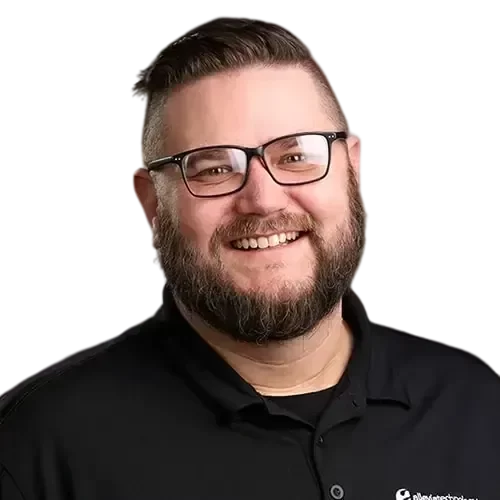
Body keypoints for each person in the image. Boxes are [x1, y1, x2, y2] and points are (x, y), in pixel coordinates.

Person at [0, 18, 499, 500]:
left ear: (350, 166)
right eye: (214, 167)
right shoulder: (42, 448)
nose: (264, 199)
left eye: (296, 155)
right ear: (149, 200)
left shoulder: (481, 412)